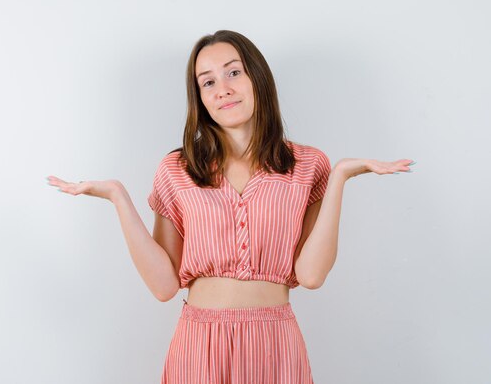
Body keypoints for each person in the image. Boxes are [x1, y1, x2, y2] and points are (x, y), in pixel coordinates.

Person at [46, 30, 415, 384]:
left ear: (257, 78)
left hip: (275, 343)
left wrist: (339, 178)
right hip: (198, 343)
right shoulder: (177, 170)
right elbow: (163, 286)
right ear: (200, 98)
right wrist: (117, 196)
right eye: (207, 82)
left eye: (233, 73)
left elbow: (312, 275)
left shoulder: (308, 165)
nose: (222, 89)